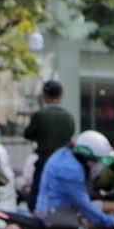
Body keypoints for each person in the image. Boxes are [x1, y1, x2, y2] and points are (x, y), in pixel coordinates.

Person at [35, 130, 114, 229]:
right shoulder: (71, 171)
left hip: (51, 215)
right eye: (97, 161)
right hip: (58, 224)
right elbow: (85, 207)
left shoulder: (65, 155)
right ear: (88, 158)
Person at [22, 80, 76, 210]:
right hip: (63, 163)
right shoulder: (68, 117)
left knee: (37, 197)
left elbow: (28, 134)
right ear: (61, 95)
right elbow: (70, 134)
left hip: (44, 160)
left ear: (45, 95)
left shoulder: (40, 116)